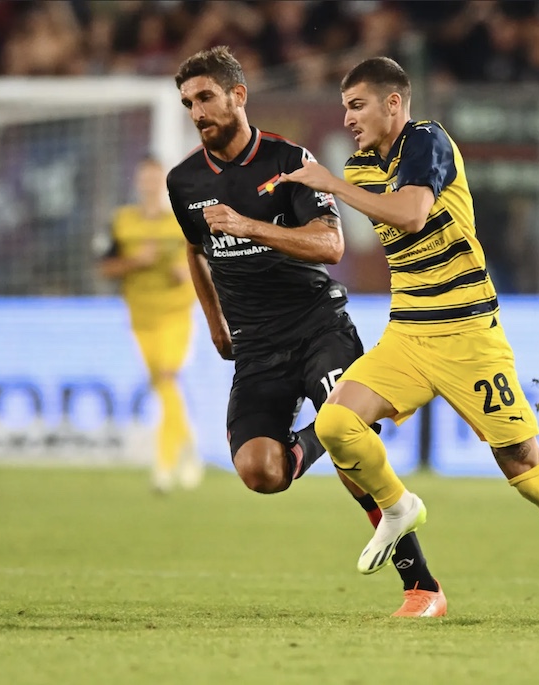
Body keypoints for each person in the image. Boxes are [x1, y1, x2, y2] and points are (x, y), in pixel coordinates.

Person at [279, 56, 539, 627]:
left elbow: (414, 214)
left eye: (357, 105)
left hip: (470, 336)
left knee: (526, 470)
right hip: (408, 334)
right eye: (345, 107)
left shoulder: (428, 140)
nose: (347, 118)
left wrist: (329, 184)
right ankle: (398, 507)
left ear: (393, 103)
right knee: (335, 423)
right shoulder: (359, 166)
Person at [166, 45, 446, 618]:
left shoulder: (288, 160)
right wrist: (217, 324)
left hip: (318, 327)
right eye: (189, 102)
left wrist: (250, 226)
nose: (197, 112)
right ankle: (328, 431)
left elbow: (331, 244)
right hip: (256, 345)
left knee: (351, 453)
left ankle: (423, 589)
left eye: (206, 98)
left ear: (238, 96)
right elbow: (195, 251)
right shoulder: (184, 181)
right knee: (260, 472)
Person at [99, 157, 203, 493]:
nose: (151, 184)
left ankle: (164, 465)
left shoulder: (180, 223)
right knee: (162, 386)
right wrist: (136, 261)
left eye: (156, 178)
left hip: (176, 314)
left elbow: (201, 263)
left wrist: (183, 272)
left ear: (164, 182)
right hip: (140, 318)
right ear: (138, 181)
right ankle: (188, 445)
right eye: (146, 178)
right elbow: (105, 268)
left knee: (167, 378)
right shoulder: (122, 222)